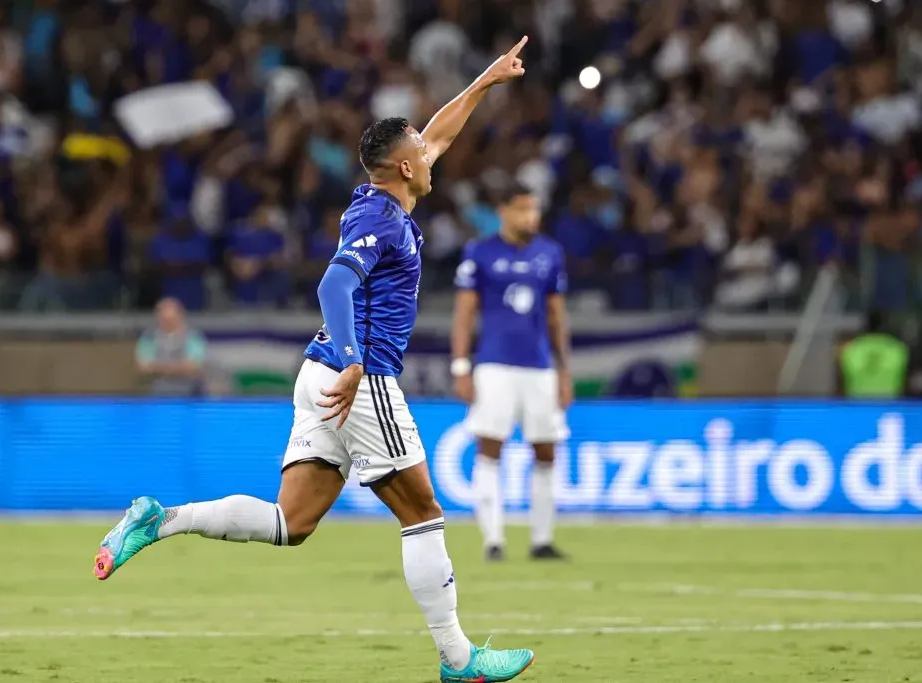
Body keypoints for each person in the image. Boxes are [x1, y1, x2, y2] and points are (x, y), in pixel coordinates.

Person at [93, 37, 536, 683]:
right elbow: (334, 285)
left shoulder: (381, 197)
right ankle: (459, 659)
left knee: (291, 522)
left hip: (319, 373)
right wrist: (356, 361)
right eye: (420, 150)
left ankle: (163, 520)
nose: (431, 151)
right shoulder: (383, 220)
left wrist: (485, 82)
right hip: (357, 378)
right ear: (404, 168)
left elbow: (437, 133)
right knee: (424, 513)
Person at [451, 184, 572, 562]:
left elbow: (556, 314)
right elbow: (465, 312)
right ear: (503, 211)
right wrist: (461, 366)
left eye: (534, 210)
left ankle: (542, 539)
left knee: (546, 449)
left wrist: (564, 370)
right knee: (490, 447)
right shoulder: (480, 252)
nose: (530, 217)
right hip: (494, 365)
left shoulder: (549, 253)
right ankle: (493, 540)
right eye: (522, 209)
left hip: (539, 366)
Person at [135, 297, 207, 396]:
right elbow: (144, 367)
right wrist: (178, 367)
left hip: (188, 392)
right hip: (157, 392)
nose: (167, 322)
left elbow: (193, 366)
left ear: (180, 316)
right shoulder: (149, 337)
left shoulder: (193, 337)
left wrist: (159, 367)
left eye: (171, 319)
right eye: (164, 319)